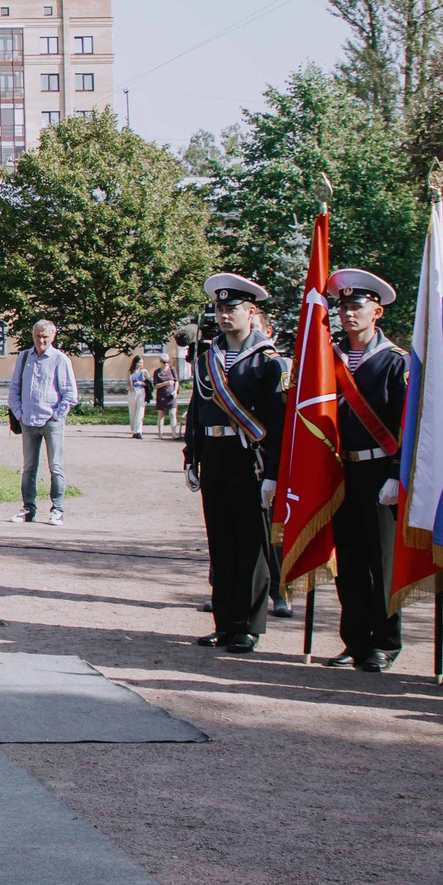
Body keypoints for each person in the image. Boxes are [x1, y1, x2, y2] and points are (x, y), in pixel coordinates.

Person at [186, 274, 288, 653]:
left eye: (232, 309)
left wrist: (274, 474)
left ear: (251, 312)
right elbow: (196, 411)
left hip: (251, 460)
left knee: (251, 547)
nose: (225, 315)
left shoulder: (268, 363)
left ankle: (249, 625)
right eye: (220, 308)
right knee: (221, 544)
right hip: (214, 456)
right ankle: (225, 623)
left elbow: (278, 425)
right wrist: (191, 457)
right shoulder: (207, 358)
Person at [319, 269, 409, 672]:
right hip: (341, 471)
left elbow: (407, 422)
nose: (348, 313)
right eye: (343, 306)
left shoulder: (396, 363)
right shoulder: (327, 359)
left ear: (378, 312)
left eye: (357, 306)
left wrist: (395, 471)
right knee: (349, 562)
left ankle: (385, 642)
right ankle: (354, 639)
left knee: (382, 562)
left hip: (380, 474)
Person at [7, 317, 77, 526]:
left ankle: (57, 509)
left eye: (45, 336)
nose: (41, 340)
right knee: (29, 467)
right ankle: (28, 508)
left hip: (51, 421)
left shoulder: (60, 359)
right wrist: (19, 413)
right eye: (37, 336)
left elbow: (70, 394)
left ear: (53, 336)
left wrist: (57, 415)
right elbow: (14, 389)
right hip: (28, 421)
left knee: (56, 466)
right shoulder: (24, 356)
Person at [154, 354, 180, 439]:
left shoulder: (172, 369)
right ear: (160, 362)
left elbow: (176, 381)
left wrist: (175, 390)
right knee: (161, 414)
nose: (166, 364)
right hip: (161, 395)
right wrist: (165, 383)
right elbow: (156, 385)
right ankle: (160, 433)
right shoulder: (157, 372)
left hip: (171, 396)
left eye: (167, 362)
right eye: (164, 362)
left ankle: (174, 433)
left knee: (172, 413)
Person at [128, 358, 151, 440]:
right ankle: (134, 430)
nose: (141, 364)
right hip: (132, 392)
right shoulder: (130, 372)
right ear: (135, 362)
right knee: (133, 411)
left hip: (141, 391)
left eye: (142, 362)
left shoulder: (144, 372)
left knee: (140, 411)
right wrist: (129, 387)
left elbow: (149, 383)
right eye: (139, 362)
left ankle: (138, 432)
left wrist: (141, 383)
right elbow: (127, 383)